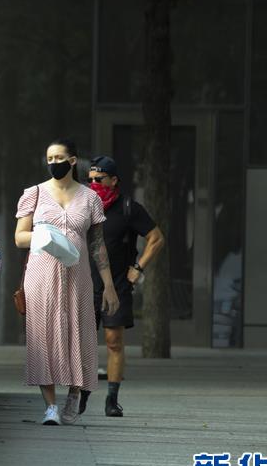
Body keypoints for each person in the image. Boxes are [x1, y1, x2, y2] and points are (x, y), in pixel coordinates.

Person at [14, 139, 119, 426]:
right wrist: (45, 236)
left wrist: (109, 285)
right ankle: (50, 406)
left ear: (72, 161)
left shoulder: (90, 198)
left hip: (77, 275)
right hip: (41, 275)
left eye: (59, 157)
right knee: (42, 337)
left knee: (80, 334)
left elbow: (97, 244)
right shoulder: (34, 194)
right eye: (49, 158)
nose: (53, 163)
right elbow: (19, 237)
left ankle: (74, 393)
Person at [81, 155, 165, 417]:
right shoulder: (81, 206)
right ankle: (80, 395)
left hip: (117, 285)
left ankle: (112, 400)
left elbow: (156, 238)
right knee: (82, 343)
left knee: (113, 341)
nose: (94, 184)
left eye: (99, 179)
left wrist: (138, 268)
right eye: (90, 180)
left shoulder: (129, 208)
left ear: (114, 180)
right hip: (85, 283)